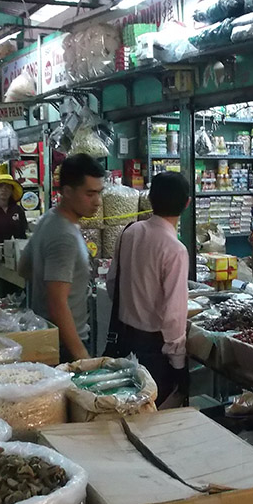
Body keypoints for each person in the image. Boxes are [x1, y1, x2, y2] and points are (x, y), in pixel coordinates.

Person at [106, 172, 191, 407]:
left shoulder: (129, 232)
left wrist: (133, 306)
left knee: (126, 408)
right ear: (187, 203)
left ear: (150, 200)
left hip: (124, 337)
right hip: (154, 350)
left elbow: (112, 283)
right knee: (152, 414)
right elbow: (173, 316)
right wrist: (179, 365)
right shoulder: (175, 249)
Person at [19, 154, 105, 362]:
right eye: (90, 194)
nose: (97, 202)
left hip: (48, 335)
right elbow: (58, 302)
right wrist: (81, 356)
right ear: (67, 192)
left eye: (99, 193)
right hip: (65, 345)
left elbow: (23, 267)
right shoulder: (65, 236)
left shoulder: (49, 218)